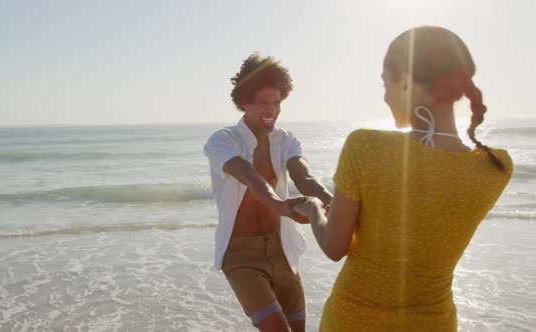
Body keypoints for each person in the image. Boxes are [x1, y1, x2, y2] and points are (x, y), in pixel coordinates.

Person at [295, 26, 513, 331]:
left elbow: (335, 247)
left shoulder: (365, 145)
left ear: (406, 81)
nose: (385, 96)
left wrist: (312, 209)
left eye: (386, 84)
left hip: (353, 320)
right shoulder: (496, 166)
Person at [204, 53, 333, 331]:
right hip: (241, 256)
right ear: (244, 102)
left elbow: (305, 177)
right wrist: (281, 206)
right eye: (263, 102)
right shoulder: (223, 141)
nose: (271, 110)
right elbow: (249, 176)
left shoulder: (286, 140)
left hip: (281, 250)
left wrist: (333, 201)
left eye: (276, 103)